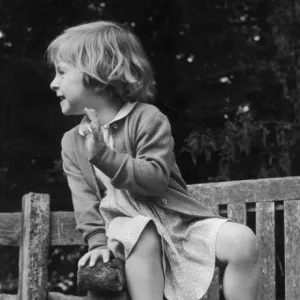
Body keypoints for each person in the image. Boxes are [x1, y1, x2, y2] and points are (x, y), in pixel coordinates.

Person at [47, 20, 260, 300]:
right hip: (126, 234)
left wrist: (103, 156)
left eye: (61, 72)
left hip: (178, 224)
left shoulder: (148, 118)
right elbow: (85, 201)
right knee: (141, 231)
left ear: (98, 74)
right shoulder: (72, 142)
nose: (53, 83)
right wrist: (97, 244)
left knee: (243, 241)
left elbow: (155, 180)